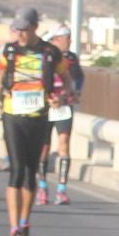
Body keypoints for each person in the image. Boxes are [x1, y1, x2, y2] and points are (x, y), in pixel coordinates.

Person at [0, 9, 63, 236]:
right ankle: (14, 228)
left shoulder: (50, 52)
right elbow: (1, 78)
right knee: (16, 170)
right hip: (13, 115)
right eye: (16, 29)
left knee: (32, 172)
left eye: (23, 29)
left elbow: (65, 81)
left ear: (34, 27)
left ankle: (25, 223)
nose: (19, 34)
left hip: (39, 116)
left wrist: (60, 98)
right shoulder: (10, 51)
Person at [40, 22, 82, 205]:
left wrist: (73, 94)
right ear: (56, 39)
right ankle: (42, 187)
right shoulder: (44, 55)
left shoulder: (72, 58)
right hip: (46, 105)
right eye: (67, 38)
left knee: (64, 144)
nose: (70, 42)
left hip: (64, 105)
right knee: (44, 147)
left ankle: (62, 189)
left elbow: (78, 78)